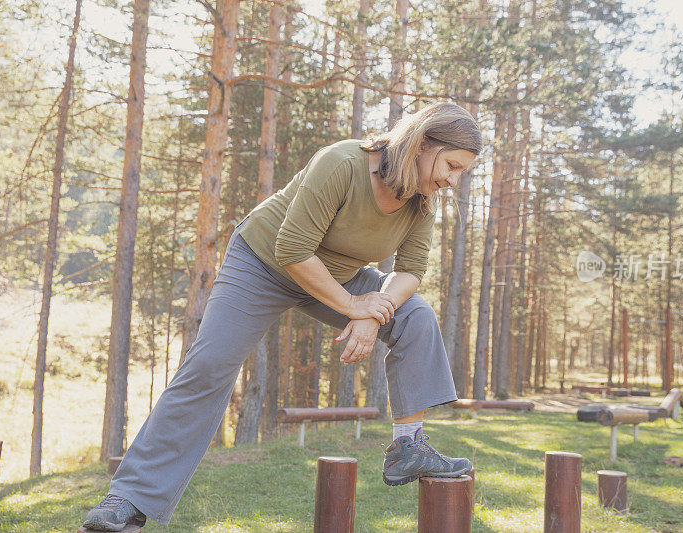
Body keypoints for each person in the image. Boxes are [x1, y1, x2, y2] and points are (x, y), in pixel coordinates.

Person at [82, 101, 482, 530]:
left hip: (338, 276)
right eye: (452, 165)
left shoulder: (420, 201)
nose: (452, 180)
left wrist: (371, 314)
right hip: (262, 262)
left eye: (461, 173)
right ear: (423, 143)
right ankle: (128, 499)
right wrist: (352, 306)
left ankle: (409, 447)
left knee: (415, 315)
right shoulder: (343, 163)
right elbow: (291, 249)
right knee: (210, 365)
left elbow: (410, 271)